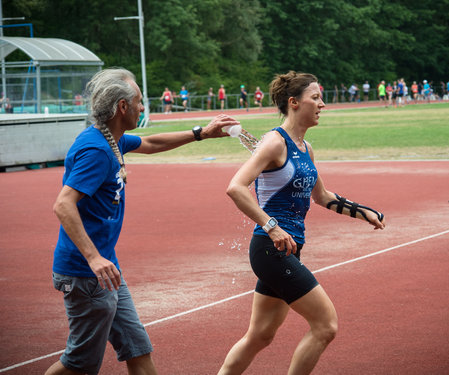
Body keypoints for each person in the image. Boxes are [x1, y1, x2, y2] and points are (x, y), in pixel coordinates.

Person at [45, 68, 240, 375]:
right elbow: (63, 204)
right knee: (79, 364)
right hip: (86, 274)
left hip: (107, 271)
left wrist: (202, 132)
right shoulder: (97, 149)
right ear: (121, 107)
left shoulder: (112, 139)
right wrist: (94, 258)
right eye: (138, 101)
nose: (142, 107)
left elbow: (150, 143)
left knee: (137, 348)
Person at [217, 71, 385, 375]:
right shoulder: (273, 143)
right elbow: (236, 187)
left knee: (260, 336)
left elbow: (321, 196)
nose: (322, 104)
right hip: (271, 248)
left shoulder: (306, 149)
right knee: (325, 325)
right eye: (315, 97)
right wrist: (272, 226)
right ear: (294, 103)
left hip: (289, 248)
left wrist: (363, 212)